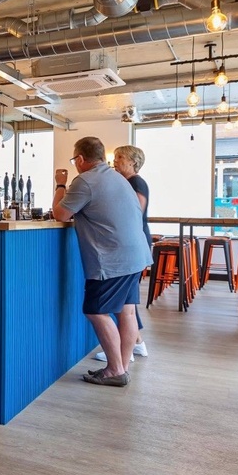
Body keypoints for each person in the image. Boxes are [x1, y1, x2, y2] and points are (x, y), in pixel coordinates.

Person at [53, 137, 152, 386]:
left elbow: (60, 214)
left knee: (95, 311)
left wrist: (60, 184)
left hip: (112, 259)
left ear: (80, 159)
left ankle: (115, 370)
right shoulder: (118, 178)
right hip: (136, 254)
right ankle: (121, 367)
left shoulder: (85, 180)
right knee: (127, 311)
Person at [94, 144, 151, 362]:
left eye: (120, 158)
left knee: (125, 303)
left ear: (133, 162)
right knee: (127, 302)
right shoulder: (127, 182)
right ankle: (136, 345)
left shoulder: (135, 183)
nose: (115, 161)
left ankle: (129, 348)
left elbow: (133, 213)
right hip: (134, 243)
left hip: (132, 244)